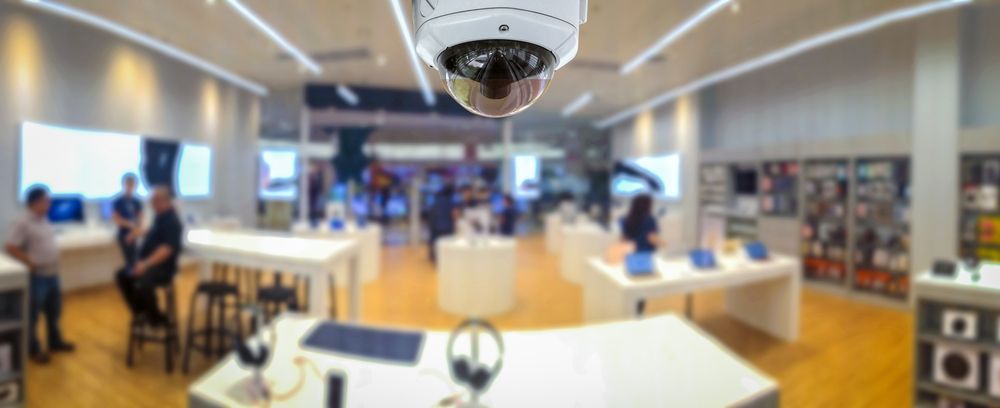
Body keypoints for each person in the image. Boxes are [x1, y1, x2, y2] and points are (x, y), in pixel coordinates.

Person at [5, 186, 75, 364]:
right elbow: (10, 247)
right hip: (38, 276)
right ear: (35, 202)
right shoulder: (23, 222)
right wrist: (29, 262)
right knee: (33, 314)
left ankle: (55, 342)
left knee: (54, 311)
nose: (50, 204)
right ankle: (33, 348)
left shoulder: (44, 219)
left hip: (52, 274)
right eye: (46, 200)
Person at [115, 186, 183, 327]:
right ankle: (141, 312)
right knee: (122, 275)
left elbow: (166, 249)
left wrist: (145, 264)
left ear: (161, 201)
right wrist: (137, 233)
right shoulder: (160, 216)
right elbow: (154, 233)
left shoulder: (172, 220)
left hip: (163, 268)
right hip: (150, 264)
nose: (151, 205)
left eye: (153, 202)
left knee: (144, 280)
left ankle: (156, 318)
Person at [619, 194, 660, 316]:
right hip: (645, 257)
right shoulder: (650, 220)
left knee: (631, 286)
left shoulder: (627, 219)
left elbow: (623, 240)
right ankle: (638, 313)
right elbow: (653, 239)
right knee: (641, 290)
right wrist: (665, 244)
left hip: (631, 257)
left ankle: (631, 312)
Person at [111, 174, 143, 268]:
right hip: (123, 234)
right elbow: (116, 219)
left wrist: (134, 233)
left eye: (132, 184)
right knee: (129, 261)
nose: (130, 187)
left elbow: (140, 218)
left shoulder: (137, 202)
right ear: (124, 184)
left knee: (136, 259)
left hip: (134, 234)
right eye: (128, 184)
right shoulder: (118, 201)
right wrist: (129, 224)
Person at [427, 185, 458, 263]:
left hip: (435, 226)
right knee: (446, 244)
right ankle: (445, 259)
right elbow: (454, 215)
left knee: (435, 242)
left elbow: (431, 213)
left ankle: (434, 257)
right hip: (447, 226)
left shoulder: (436, 201)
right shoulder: (451, 202)